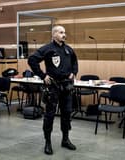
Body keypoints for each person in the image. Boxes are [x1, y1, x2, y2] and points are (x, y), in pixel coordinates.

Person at [28, 25, 78, 155]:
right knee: (49, 115)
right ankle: (48, 142)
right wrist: (43, 76)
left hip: (67, 87)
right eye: (61, 32)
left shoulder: (68, 49)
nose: (64, 35)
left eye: (64, 32)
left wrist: (74, 72)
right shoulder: (47, 49)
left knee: (67, 114)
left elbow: (74, 62)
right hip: (53, 87)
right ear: (54, 34)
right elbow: (32, 60)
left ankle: (65, 140)